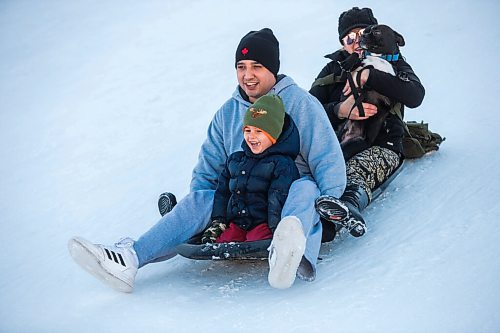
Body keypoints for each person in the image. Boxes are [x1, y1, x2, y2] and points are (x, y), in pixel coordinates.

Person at [68, 28, 346, 292]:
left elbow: (327, 161)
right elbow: (209, 169)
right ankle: (130, 259)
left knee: (306, 188)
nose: (247, 75)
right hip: (243, 200)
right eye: (241, 67)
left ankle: (289, 254)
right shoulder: (227, 113)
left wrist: (328, 203)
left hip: (285, 201)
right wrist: (201, 218)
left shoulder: (300, 103)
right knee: (202, 197)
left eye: (256, 67)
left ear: (272, 69)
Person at [309, 7, 425, 238]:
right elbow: (308, 112)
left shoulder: (393, 62)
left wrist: (368, 75)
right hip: (338, 143)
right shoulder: (334, 68)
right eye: (349, 39)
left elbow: (415, 95)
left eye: (362, 34)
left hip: (383, 145)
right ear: (342, 43)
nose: (356, 42)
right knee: (311, 171)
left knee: (354, 171)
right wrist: (339, 110)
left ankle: (347, 208)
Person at [201, 94, 300, 244]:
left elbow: (278, 198)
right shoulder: (235, 160)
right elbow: (223, 193)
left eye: (259, 131)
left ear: (274, 134)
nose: (251, 137)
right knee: (224, 240)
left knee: (256, 240)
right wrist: (218, 222)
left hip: (264, 223)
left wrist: (275, 229)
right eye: (248, 130)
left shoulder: (281, 164)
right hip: (238, 222)